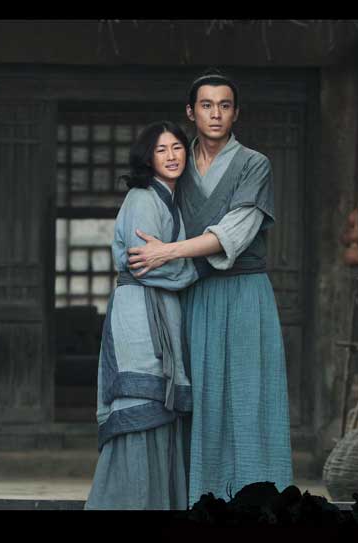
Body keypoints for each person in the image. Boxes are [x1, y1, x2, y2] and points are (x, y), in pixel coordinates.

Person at [128, 72, 293, 505]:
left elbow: (233, 233)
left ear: (236, 113)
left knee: (248, 397)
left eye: (224, 105)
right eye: (206, 105)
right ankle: (199, 502)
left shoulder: (254, 164)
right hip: (192, 294)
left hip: (244, 294)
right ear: (191, 112)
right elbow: (149, 217)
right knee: (196, 400)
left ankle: (257, 504)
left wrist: (167, 252)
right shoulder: (178, 165)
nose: (215, 114)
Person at [84, 121, 198, 510]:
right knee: (140, 404)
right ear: (148, 158)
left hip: (159, 309)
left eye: (177, 147)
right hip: (138, 313)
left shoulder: (171, 199)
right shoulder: (143, 198)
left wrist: (174, 258)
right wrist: (196, 268)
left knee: (159, 413)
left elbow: (162, 259)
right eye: (161, 149)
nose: (171, 156)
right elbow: (142, 263)